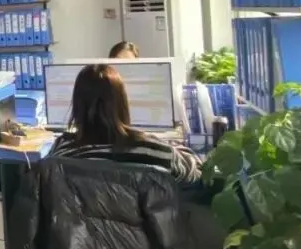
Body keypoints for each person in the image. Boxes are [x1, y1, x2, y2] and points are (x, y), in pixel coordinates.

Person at [47, 64, 201, 182]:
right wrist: (173, 147)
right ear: (122, 103)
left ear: (77, 106)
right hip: (142, 217)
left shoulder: (61, 152)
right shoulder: (157, 152)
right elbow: (197, 173)